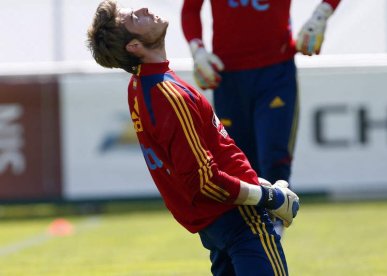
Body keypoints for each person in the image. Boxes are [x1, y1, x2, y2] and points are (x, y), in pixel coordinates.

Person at [87, 1, 299, 275]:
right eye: (134, 18)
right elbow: (205, 182)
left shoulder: (140, 86)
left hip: (215, 225)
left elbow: (199, 160)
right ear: (134, 47)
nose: (143, 10)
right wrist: (269, 196)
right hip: (239, 218)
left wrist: (255, 181)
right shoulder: (168, 93)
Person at [181, 0, 341, 188]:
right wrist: (197, 50)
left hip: (275, 72)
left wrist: (321, 15)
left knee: (274, 161)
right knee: (238, 167)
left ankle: (276, 217)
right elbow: (190, 8)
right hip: (229, 76)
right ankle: (252, 218)